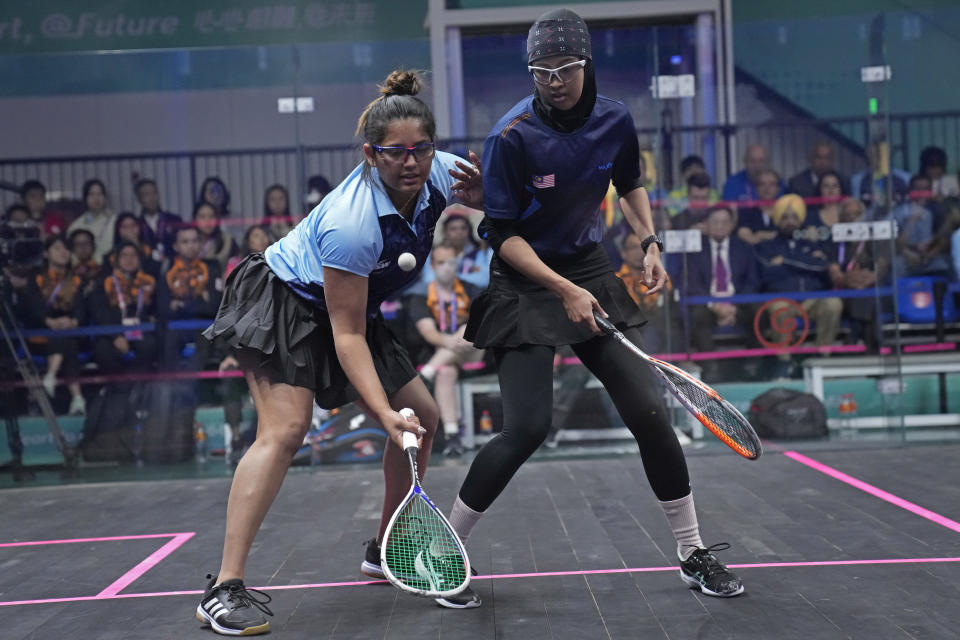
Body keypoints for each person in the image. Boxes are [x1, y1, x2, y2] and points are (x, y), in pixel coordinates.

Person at [447, 9, 745, 612]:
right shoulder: (511, 136)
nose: (552, 80)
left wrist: (649, 241)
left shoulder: (615, 118)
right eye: (540, 71)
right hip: (524, 282)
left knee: (649, 412)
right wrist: (561, 288)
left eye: (563, 68)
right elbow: (499, 234)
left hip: (588, 269)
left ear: (586, 64)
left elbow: (629, 182)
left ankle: (692, 552)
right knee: (526, 426)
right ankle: (446, 548)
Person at [198, 69, 482, 635]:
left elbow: (491, 190)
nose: (410, 162)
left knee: (423, 417)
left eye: (420, 149)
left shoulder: (444, 174)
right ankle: (224, 588)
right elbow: (345, 334)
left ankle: (386, 550)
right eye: (394, 153)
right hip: (284, 302)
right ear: (370, 155)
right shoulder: (353, 224)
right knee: (285, 430)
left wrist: (486, 200)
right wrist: (380, 413)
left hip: (350, 305)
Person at [405, 244, 484, 455]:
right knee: (446, 372)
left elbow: (480, 330)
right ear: (432, 265)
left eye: (451, 262)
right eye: (441, 263)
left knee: (468, 330)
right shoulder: (421, 296)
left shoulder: (472, 291)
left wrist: (463, 337)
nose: (447, 268)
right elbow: (429, 333)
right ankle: (452, 435)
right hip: (444, 358)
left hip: (475, 356)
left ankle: (425, 375)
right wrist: (456, 340)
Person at [683, 205, 761, 373]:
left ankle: (754, 366)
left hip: (737, 304)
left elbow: (752, 282)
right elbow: (693, 283)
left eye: (724, 222)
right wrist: (716, 306)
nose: (720, 226)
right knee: (697, 316)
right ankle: (711, 368)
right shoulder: (696, 250)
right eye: (715, 222)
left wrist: (733, 307)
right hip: (709, 304)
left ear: (732, 225)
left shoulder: (743, 248)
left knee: (758, 312)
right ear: (707, 224)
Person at [19, 235, 87, 415]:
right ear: (46, 254)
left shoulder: (77, 280)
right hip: (41, 334)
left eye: (66, 249)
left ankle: (50, 376)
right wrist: (48, 321)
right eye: (57, 248)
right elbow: (31, 307)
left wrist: (74, 321)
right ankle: (77, 397)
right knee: (65, 340)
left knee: (67, 339)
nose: (63, 252)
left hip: (69, 330)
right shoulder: (36, 279)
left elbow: (82, 308)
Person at [66, 179, 117, 263]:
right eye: (91, 194)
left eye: (99, 194)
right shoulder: (75, 226)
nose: (96, 198)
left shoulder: (115, 221)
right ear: (85, 198)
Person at [133, 178, 182, 262]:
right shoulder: (136, 224)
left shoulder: (174, 220)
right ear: (139, 199)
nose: (152, 198)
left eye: (154, 193)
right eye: (146, 194)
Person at [736, 169, 781, 245]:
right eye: (762, 184)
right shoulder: (745, 213)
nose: (767, 188)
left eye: (772, 184)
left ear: (778, 189)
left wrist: (760, 235)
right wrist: (774, 235)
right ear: (756, 188)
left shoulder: (786, 212)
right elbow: (747, 237)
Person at [193, 201, 236, 273]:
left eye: (211, 216)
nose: (207, 221)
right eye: (202, 217)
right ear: (195, 219)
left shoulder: (226, 240)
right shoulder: (189, 240)